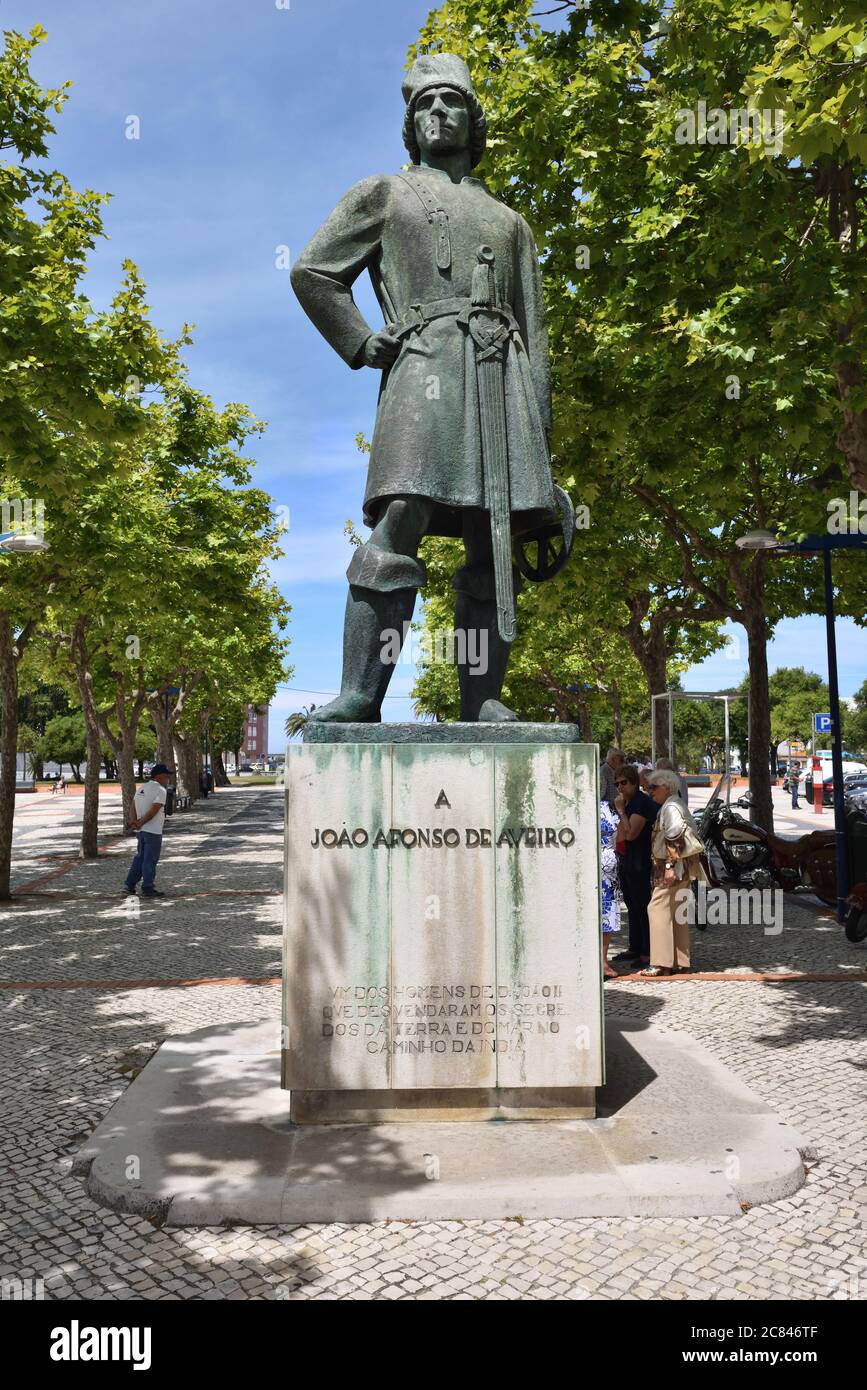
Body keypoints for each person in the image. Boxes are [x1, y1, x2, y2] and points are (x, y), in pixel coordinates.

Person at [291, 53, 562, 725]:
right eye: (423, 105)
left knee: (491, 537)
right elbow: (314, 273)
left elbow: (535, 333)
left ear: (473, 122)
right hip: (422, 367)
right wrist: (359, 339)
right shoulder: (380, 193)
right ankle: (361, 695)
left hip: (502, 385)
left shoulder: (509, 220)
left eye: (451, 102)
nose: (437, 112)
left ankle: (484, 698)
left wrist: (541, 440)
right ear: (410, 125)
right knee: (402, 513)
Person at [643, 769, 709, 977]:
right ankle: (680, 961)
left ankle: (661, 963)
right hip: (683, 867)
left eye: (654, 787)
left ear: (667, 787)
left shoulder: (671, 807)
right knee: (676, 912)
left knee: (657, 908)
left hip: (674, 867)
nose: (650, 791)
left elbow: (675, 839)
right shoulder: (675, 804)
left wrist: (670, 868)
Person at [612, 765, 657, 968]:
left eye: (624, 783)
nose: (620, 787)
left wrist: (621, 811)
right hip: (627, 859)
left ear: (634, 783)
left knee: (641, 905)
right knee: (631, 904)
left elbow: (631, 834)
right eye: (617, 784)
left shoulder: (640, 803)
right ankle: (635, 946)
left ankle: (647, 951)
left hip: (640, 859)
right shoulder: (630, 802)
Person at [123, 764, 172, 898]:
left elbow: (132, 806)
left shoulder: (142, 788)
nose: (168, 779)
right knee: (150, 860)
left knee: (139, 859)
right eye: (166, 776)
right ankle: (147, 888)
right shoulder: (161, 790)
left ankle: (129, 885)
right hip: (153, 831)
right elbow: (154, 810)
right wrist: (141, 822)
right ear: (159, 776)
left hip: (141, 831)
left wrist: (135, 823)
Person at [600, 798, 624, 979]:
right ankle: (603, 963)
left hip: (604, 868)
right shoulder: (608, 808)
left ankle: (601, 962)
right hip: (607, 866)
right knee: (605, 915)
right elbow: (624, 835)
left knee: (603, 915)